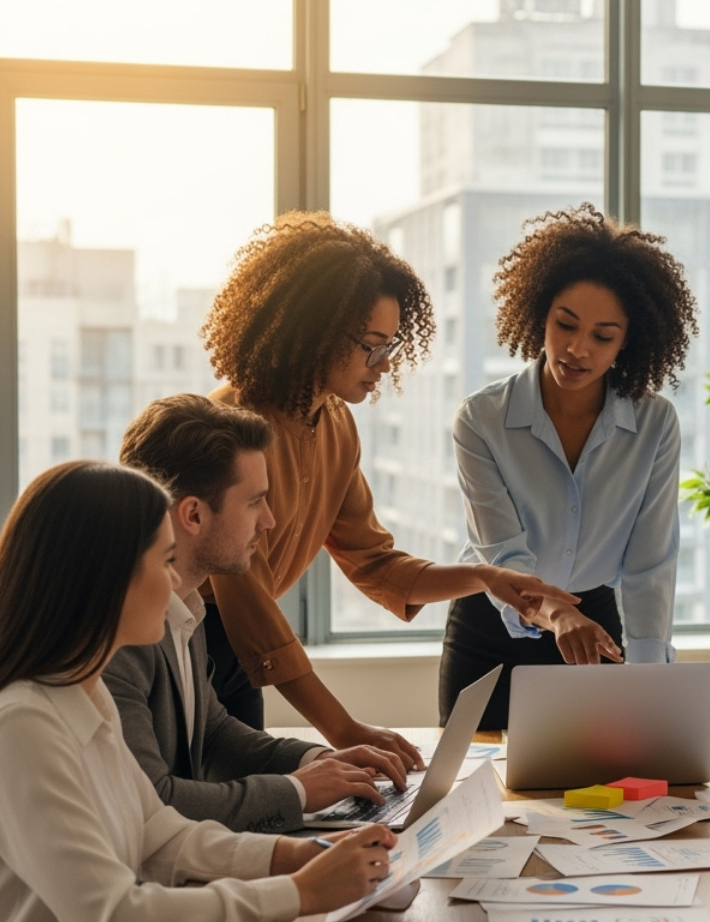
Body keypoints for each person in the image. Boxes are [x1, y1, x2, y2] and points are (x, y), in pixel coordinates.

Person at [0, 462, 394, 922]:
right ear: (105, 579)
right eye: (166, 561)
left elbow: (157, 834)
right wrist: (298, 894)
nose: (176, 583)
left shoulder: (80, 692)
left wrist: (289, 857)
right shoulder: (19, 725)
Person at [201, 212, 575, 764]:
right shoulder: (230, 426)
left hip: (237, 655)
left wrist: (484, 577)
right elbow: (248, 606)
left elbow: (376, 565)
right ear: (315, 331)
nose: (385, 364)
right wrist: (343, 729)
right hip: (183, 643)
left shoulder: (335, 424)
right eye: (372, 346)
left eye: (391, 345)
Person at [439, 204, 697, 730]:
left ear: (628, 341)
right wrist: (557, 614)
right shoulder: (482, 420)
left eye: (603, 336)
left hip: (592, 629)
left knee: (609, 775)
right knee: (475, 778)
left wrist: (649, 678)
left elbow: (649, 566)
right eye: (565, 324)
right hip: (491, 629)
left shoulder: (654, 424)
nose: (577, 349)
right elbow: (503, 555)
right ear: (540, 314)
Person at [104, 394, 410, 833]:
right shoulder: (119, 631)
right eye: (255, 502)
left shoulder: (186, 608)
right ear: (193, 514)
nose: (269, 521)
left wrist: (321, 761)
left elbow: (212, 734)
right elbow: (154, 803)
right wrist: (298, 791)